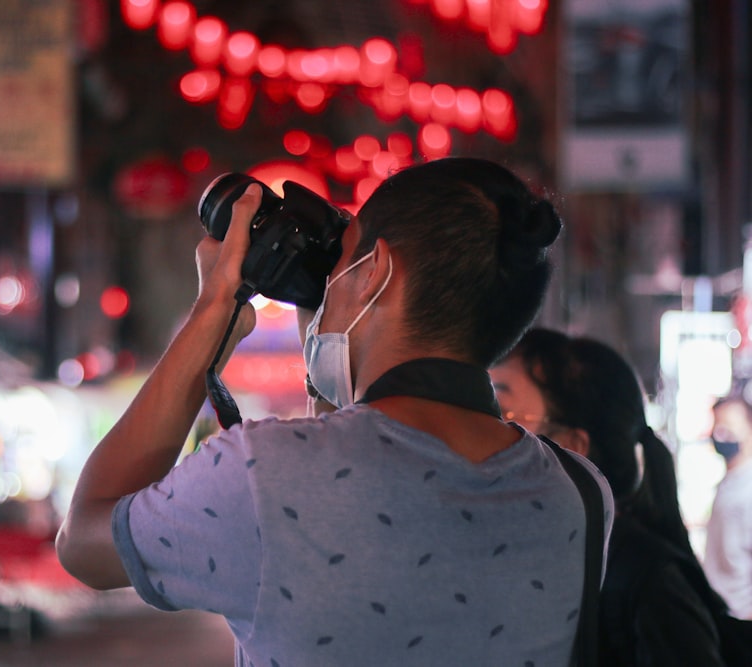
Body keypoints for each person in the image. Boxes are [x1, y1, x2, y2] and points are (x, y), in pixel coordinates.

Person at [56, 158, 614, 666]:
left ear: (375, 272)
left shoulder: (262, 474)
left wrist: (208, 318)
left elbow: (83, 543)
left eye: (344, 262)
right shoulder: (580, 494)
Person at [490, 327, 729, 666]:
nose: (480, 429)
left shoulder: (648, 581)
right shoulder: (525, 554)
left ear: (571, 448)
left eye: (501, 412)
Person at [705, 394, 752, 619]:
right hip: (721, 615)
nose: (721, 435)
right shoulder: (727, 482)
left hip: (742, 619)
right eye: (717, 427)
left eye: (729, 428)